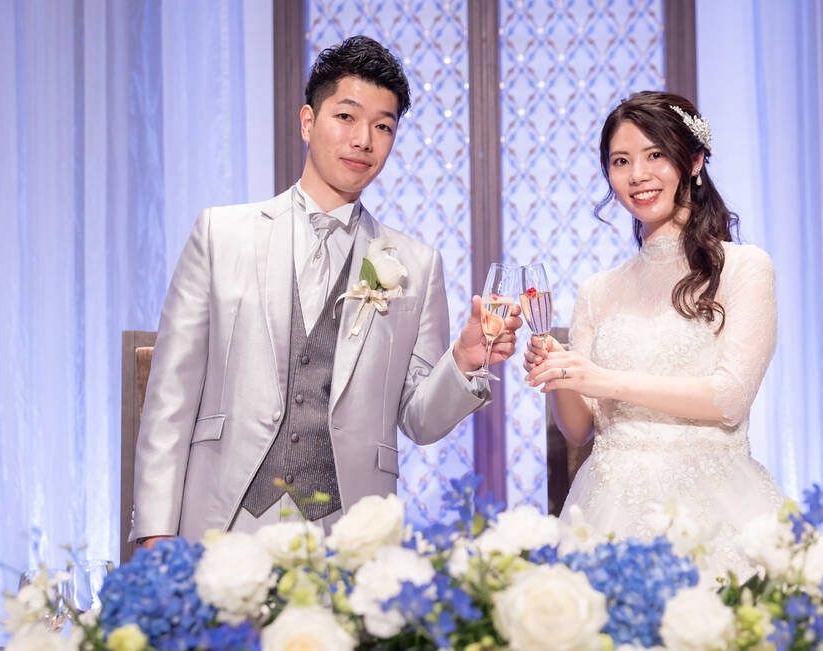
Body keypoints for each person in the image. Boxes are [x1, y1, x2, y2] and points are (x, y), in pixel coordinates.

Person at [131, 36, 521, 547]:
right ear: (308, 121)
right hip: (224, 523)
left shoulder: (417, 265)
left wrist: (465, 361)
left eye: (383, 126)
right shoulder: (221, 235)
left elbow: (420, 421)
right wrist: (157, 534)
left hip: (349, 533)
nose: (364, 140)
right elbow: (170, 396)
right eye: (346, 117)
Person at [525, 91, 781, 580]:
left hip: (712, 503)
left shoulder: (745, 268)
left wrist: (604, 379)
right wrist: (561, 375)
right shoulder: (597, 290)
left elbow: (730, 399)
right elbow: (579, 429)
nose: (637, 175)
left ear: (694, 161)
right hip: (608, 503)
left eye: (655, 155)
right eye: (621, 161)